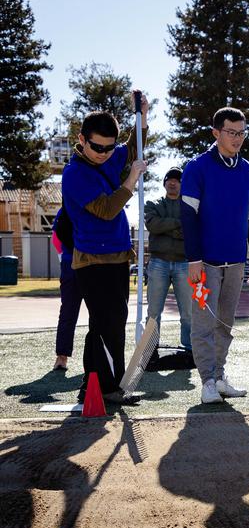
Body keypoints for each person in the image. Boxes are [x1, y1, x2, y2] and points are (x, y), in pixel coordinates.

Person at [61, 94, 148, 404]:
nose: (104, 154)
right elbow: (107, 209)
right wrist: (132, 180)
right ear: (82, 140)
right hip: (92, 261)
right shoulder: (74, 174)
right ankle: (108, 388)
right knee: (107, 322)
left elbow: (133, 148)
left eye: (109, 148)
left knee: (107, 322)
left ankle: (94, 385)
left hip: (117, 257)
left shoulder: (110, 155)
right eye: (97, 147)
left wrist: (142, 118)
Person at [181, 107, 249, 404]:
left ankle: (218, 376)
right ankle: (206, 382)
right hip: (203, 263)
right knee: (204, 323)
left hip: (235, 263)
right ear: (216, 133)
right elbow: (188, 216)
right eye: (231, 132)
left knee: (225, 323)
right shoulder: (196, 167)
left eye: (242, 132)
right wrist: (193, 259)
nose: (238, 138)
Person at [144, 166, 193, 351]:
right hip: (158, 262)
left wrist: (166, 227)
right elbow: (153, 225)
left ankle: (189, 348)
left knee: (187, 312)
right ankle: (150, 349)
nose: (173, 182)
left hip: (184, 263)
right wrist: (179, 226)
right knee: (154, 311)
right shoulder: (152, 203)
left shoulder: (189, 206)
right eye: (169, 179)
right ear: (164, 183)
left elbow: (192, 230)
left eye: (177, 180)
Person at [51, 207, 82, 372]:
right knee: (69, 312)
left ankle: (62, 359)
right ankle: (62, 356)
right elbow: (56, 239)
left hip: (87, 266)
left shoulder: (97, 204)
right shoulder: (65, 211)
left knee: (70, 313)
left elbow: (55, 240)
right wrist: (65, 258)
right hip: (74, 266)